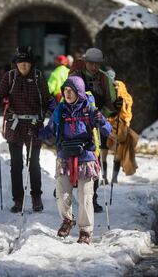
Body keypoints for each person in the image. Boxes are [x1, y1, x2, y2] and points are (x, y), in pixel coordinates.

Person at [39, 76, 111, 244]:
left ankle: (85, 231)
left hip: (85, 157)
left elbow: (108, 131)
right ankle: (67, 220)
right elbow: (50, 129)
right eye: (65, 90)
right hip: (65, 156)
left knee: (86, 195)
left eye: (71, 90)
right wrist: (37, 133)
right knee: (62, 193)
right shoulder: (61, 110)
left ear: (79, 92)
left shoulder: (89, 110)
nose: (67, 93)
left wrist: (101, 121)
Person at [0, 46, 53, 213]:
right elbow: (1, 94)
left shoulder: (39, 77)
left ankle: (36, 197)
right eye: (20, 63)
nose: (24, 66)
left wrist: (53, 106)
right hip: (15, 125)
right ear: (16, 64)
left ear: (32, 64)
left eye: (27, 63)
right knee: (16, 164)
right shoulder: (9, 77)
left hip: (34, 125)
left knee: (34, 163)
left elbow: (46, 99)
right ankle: (18, 199)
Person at [69, 48, 122, 212]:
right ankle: (68, 190)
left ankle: (93, 198)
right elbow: (68, 98)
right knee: (72, 158)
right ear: (85, 62)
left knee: (94, 162)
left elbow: (110, 102)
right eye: (91, 63)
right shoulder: (75, 77)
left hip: (94, 125)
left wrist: (112, 109)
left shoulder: (104, 79)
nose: (93, 66)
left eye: (96, 64)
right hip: (75, 122)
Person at [105, 68, 138, 182]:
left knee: (119, 150)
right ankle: (106, 177)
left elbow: (127, 103)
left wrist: (121, 105)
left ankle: (113, 178)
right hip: (108, 122)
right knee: (105, 151)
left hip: (119, 123)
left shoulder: (119, 88)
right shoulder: (104, 86)